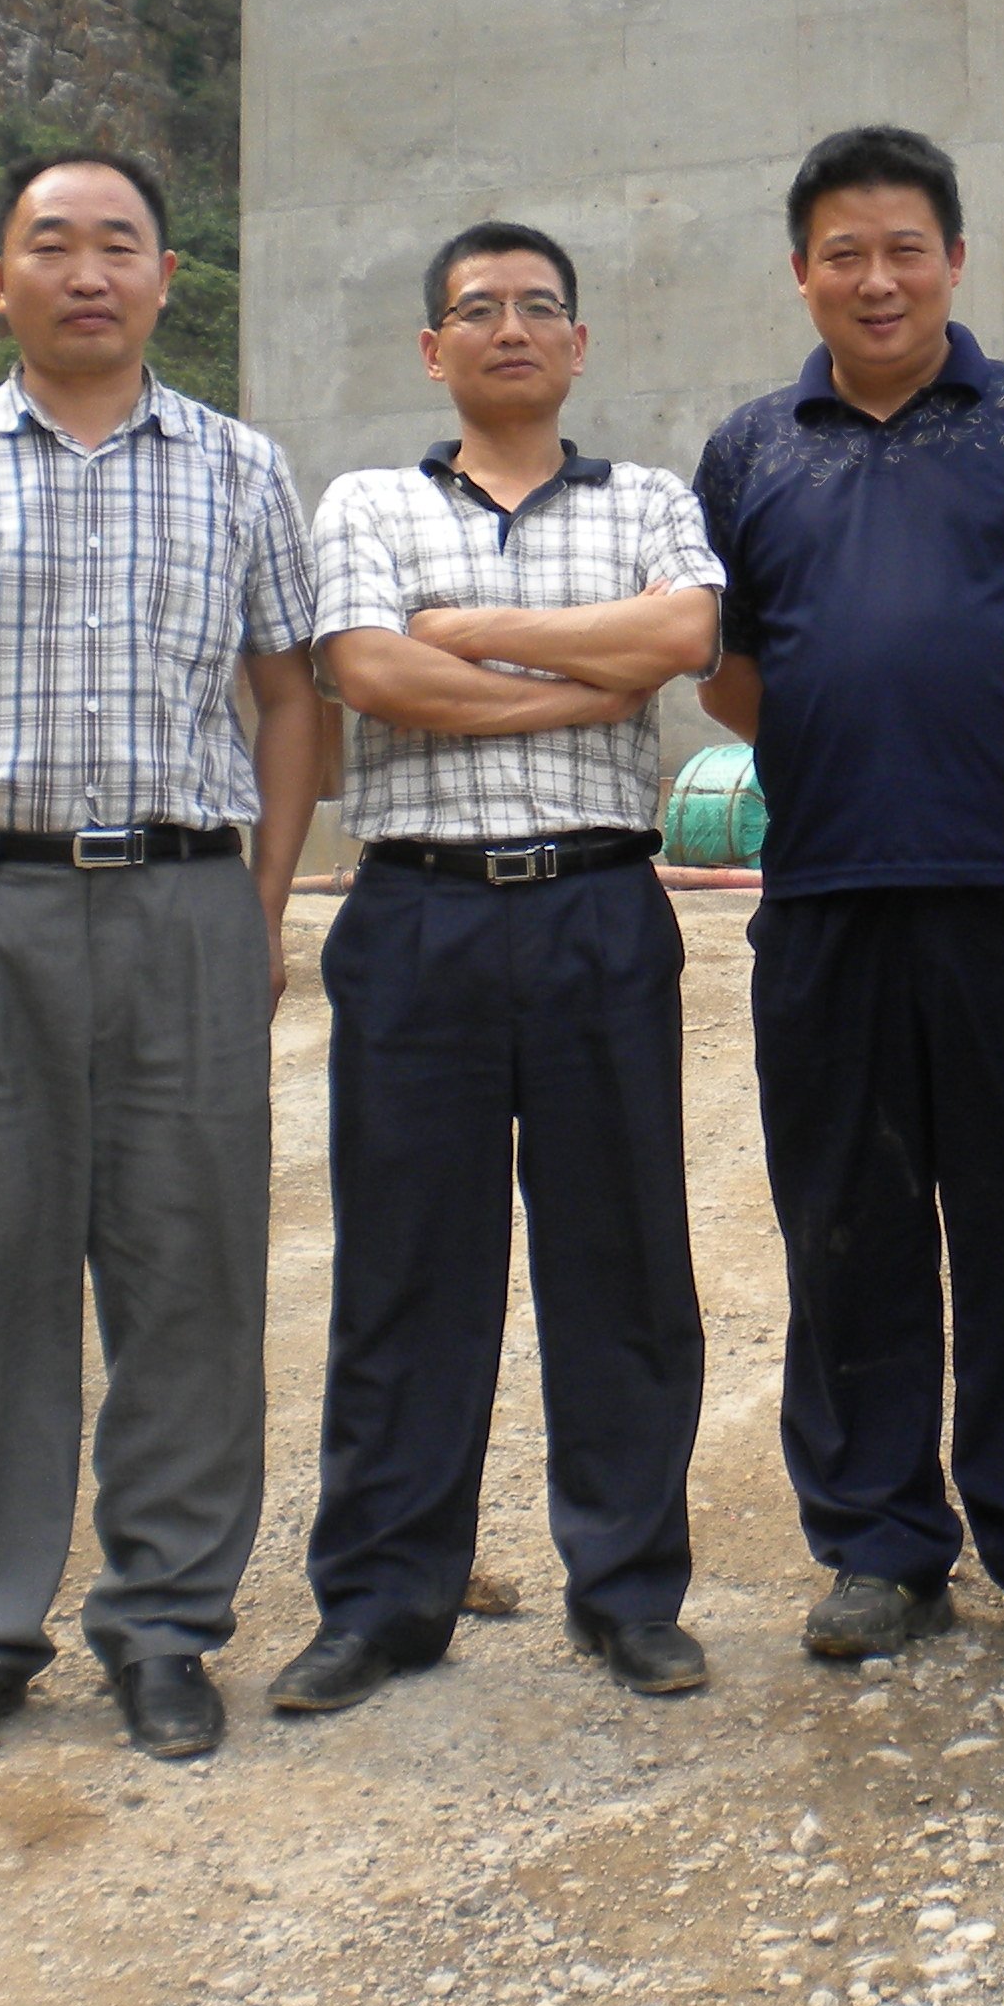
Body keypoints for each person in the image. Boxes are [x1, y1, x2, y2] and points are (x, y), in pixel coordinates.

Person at [0, 149, 323, 1767]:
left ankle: (166, 1626)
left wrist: (260, 904)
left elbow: (291, 700)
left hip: (181, 906)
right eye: (52, 245)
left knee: (190, 1275)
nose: (86, 273)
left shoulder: (242, 469)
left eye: (119, 245)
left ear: (167, 277)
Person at [694, 127, 1004, 1672]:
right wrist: (853, 730)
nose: (875, 280)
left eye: (904, 250)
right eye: (844, 254)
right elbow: (734, 667)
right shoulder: (750, 451)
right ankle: (878, 1544)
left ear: (955, 258)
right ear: (800, 271)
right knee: (845, 1227)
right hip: (826, 897)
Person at [280, 221, 726, 1712]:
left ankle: (629, 1592)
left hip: (600, 910)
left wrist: (474, 637)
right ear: (434, 349)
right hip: (419, 920)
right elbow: (368, 671)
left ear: (579, 343)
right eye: (480, 309)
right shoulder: (366, 502)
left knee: (625, 1263)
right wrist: (582, 683)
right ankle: (383, 1603)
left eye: (541, 307)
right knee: (408, 1272)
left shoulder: (649, 498)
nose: (512, 328)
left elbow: (684, 632)